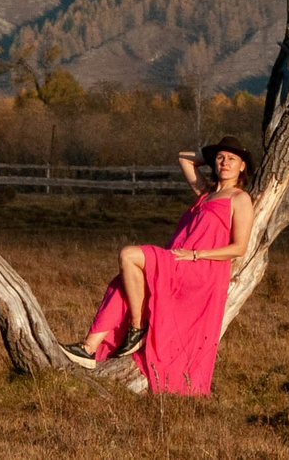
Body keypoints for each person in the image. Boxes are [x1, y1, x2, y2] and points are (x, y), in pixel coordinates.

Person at [63, 136, 256, 394]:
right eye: (220, 157)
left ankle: (137, 327)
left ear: (242, 166)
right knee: (123, 282)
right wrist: (209, 156)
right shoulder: (206, 194)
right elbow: (185, 159)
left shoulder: (239, 199)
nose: (225, 162)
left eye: (232, 159)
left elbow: (239, 248)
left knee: (129, 255)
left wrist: (196, 254)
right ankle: (88, 348)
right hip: (178, 260)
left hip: (199, 269)